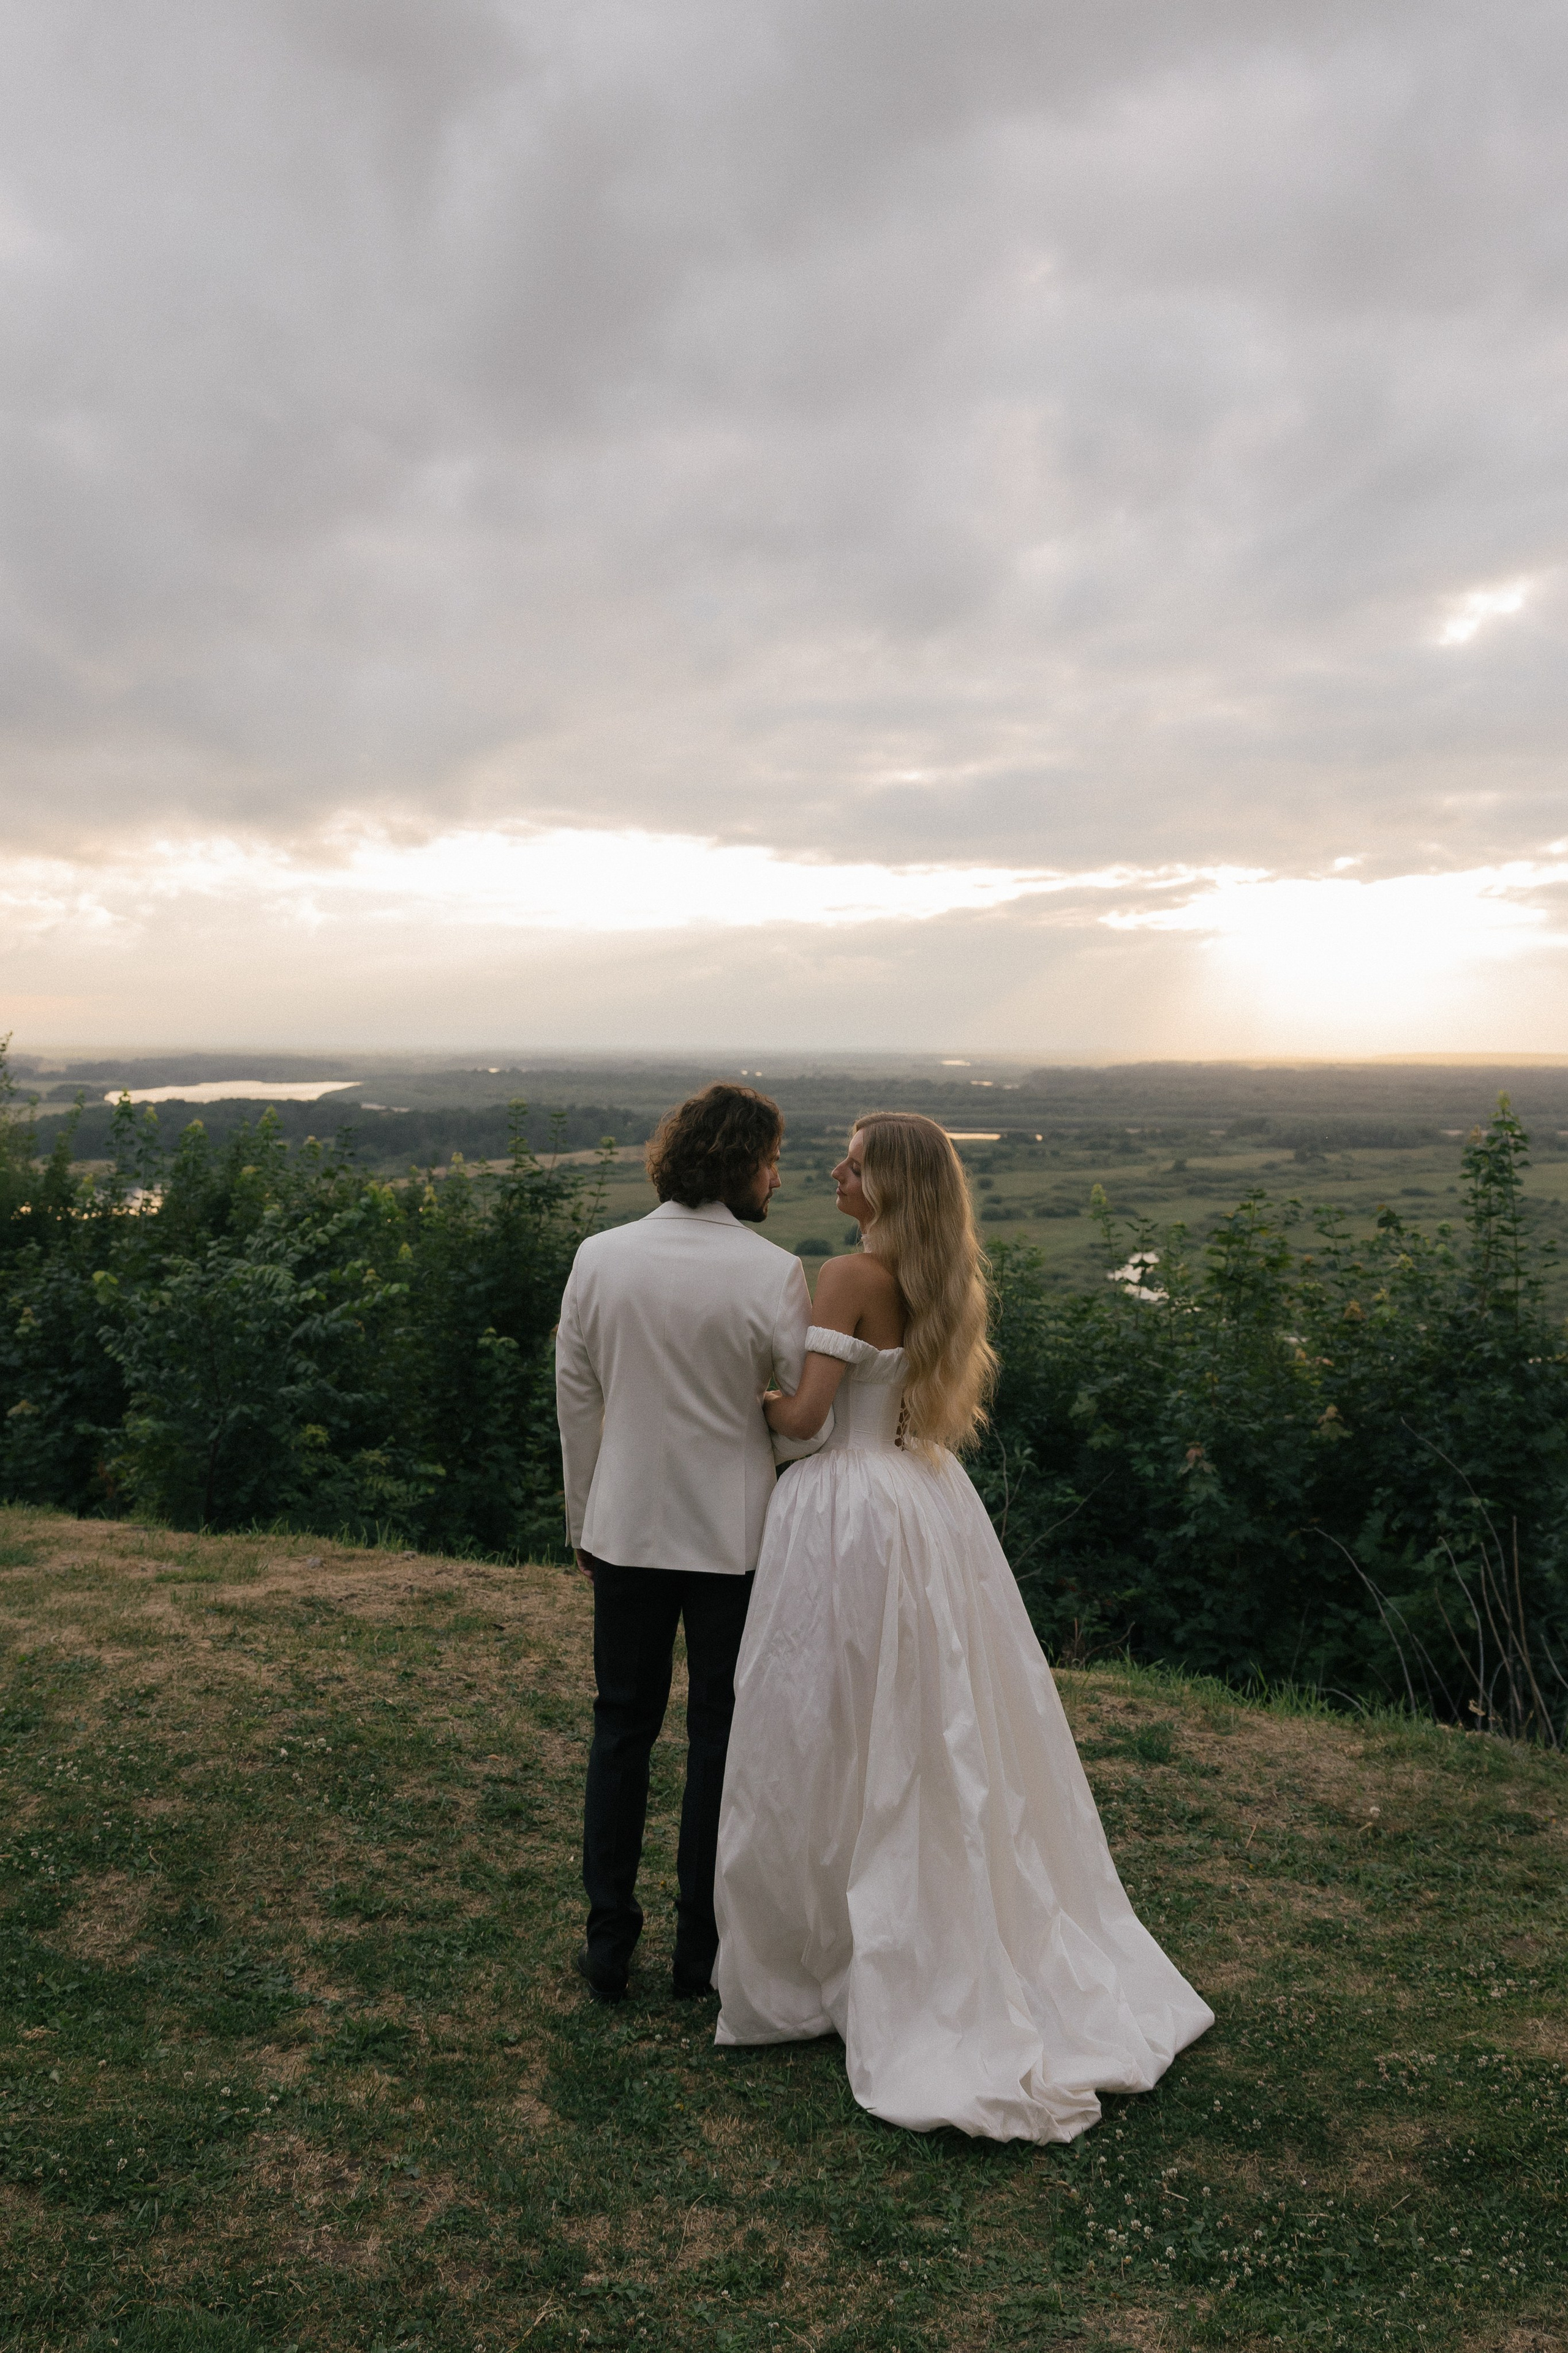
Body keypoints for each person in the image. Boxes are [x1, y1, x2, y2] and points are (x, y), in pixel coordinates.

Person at [712, 1111, 1214, 2142]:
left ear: (887, 1184)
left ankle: (823, 1947)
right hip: (924, 1501)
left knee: (823, 1716)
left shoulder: (846, 1276)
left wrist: (736, 1401)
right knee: (932, 1711)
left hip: (847, 1510)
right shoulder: (939, 1281)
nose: (836, 1168)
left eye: (854, 1159)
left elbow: (807, 1419)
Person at [554, 1082, 830, 2003]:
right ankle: (699, 1952)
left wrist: (583, 1515)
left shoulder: (600, 1257)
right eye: (771, 1159)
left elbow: (578, 1400)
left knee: (619, 1728)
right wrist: (769, 1435)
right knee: (719, 1737)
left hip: (625, 1527)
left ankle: (606, 1942)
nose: (777, 1176)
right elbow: (800, 1422)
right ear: (739, 1163)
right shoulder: (773, 1271)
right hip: (734, 1538)